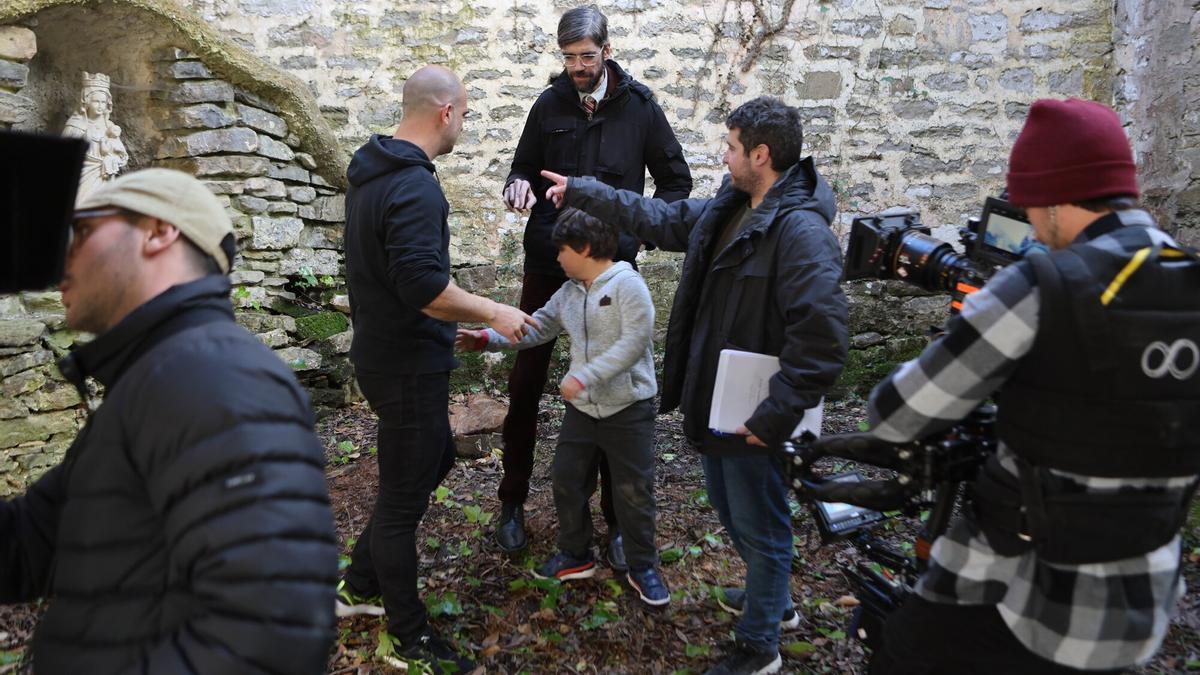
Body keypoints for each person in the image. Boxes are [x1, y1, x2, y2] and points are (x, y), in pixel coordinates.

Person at [866, 98, 1200, 674]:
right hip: (1140, 602)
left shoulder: (1042, 284)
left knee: (899, 652)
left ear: (1047, 196)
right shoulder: (1188, 279)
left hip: (1027, 596)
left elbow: (896, 415)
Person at [543, 96, 849, 675]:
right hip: (720, 400)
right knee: (735, 512)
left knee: (760, 524)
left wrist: (775, 416)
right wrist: (584, 190)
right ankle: (775, 602)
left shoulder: (801, 231)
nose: (724, 156)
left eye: (732, 147)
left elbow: (824, 338)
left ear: (761, 154)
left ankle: (760, 646)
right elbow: (663, 218)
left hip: (757, 412)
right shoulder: (732, 207)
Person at [0, 168, 338, 673]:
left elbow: (272, 636)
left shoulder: (212, 373)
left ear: (158, 231)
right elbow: (28, 546)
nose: (58, 258)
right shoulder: (156, 378)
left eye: (80, 231)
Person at [338, 65, 534, 673]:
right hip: (404, 368)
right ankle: (406, 634)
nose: (465, 125)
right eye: (467, 113)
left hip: (390, 354)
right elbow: (424, 284)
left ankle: (360, 585)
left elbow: (397, 284)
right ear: (445, 112)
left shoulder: (371, 175)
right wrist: (498, 311)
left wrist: (455, 327)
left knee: (435, 458)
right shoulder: (414, 187)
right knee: (401, 499)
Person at [496, 4, 694, 562]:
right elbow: (522, 167)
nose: (577, 67)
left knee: (609, 391)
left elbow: (676, 184)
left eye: (586, 56)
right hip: (547, 263)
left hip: (610, 270)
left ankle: (619, 525)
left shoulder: (640, 108)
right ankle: (512, 503)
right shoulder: (548, 103)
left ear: (607, 50)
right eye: (568, 58)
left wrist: (638, 232)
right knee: (525, 383)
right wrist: (517, 188)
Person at [458, 208, 670, 607]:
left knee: (634, 492)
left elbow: (635, 342)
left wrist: (585, 376)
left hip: (628, 410)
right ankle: (576, 553)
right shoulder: (569, 291)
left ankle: (643, 566)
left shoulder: (629, 285)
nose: (556, 258)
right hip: (583, 411)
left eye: (562, 250)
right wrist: (486, 338)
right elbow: (536, 327)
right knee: (568, 481)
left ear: (585, 248)